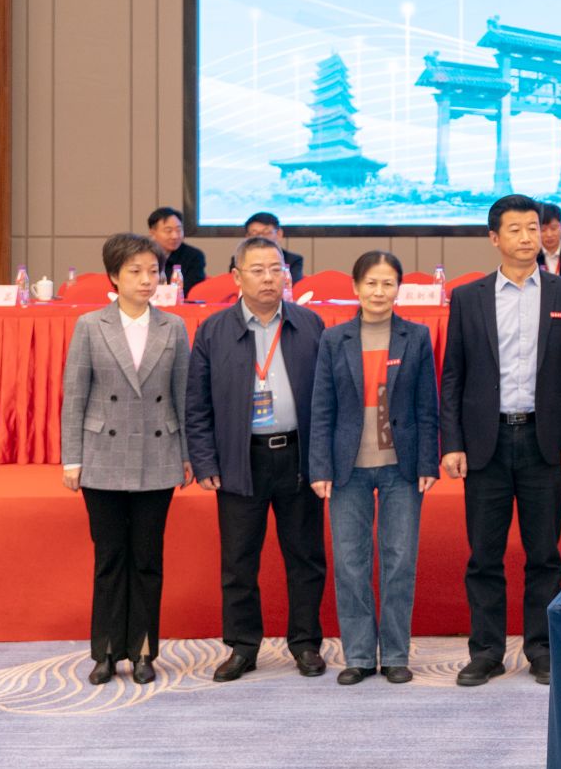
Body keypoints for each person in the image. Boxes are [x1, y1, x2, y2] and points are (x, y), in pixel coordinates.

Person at [440, 195, 561, 687]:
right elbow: (454, 374)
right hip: (486, 441)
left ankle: (541, 649)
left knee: (544, 554)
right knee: (484, 555)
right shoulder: (469, 297)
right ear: (494, 238)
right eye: (516, 229)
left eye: (533, 227)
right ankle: (485, 652)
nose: (528, 237)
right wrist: (452, 442)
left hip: (543, 441)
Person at [185, 235, 329, 681]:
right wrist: (205, 462)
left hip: (298, 458)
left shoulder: (310, 324)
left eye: (276, 269)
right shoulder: (214, 330)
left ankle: (305, 643)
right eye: (258, 270)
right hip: (239, 460)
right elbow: (197, 405)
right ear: (236, 277)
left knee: (305, 556)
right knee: (239, 560)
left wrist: (323, 460)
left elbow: (328, 399)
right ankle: (242, 646)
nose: (269, 279)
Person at [60, 232, 192, 685]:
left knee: (148, 559)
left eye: (153, 271)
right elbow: (75, 396)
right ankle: (105, 651)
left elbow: (183, 395)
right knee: (110, 558)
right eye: (135, 271)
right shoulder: (90, 325)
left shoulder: (173, 327)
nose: (146, 280)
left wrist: (187, 455)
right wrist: (71, 458)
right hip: (103, 455)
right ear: (114, 276)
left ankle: (143, 652)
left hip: (158, 453)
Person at [307, 252, 438, 686]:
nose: (379, 292)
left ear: (398, 288)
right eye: (371, 283)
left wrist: (428, 461)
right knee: (350, 562)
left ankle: (396, 654)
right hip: (348, 467)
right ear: (355, 287)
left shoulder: (416, 336)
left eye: (387, 283)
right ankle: (360, 656)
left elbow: (427, 405)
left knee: (399, 561)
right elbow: (322, 408)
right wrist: (320, 467)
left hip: (402, 466)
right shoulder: (334, 338)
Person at [227, 210, 304, 281]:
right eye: (255, 234)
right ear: (247, 237)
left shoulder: (293, 260)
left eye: (266, 233)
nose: (261, 238)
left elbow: (292, 285)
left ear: (279, 234)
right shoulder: (239, 260)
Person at [146, 206, 206, 294]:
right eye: (168, 231)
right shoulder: (143, 255)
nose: (175, 236)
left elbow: (191, 290)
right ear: (152, 233)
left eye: (179, 230)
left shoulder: (194, 256)